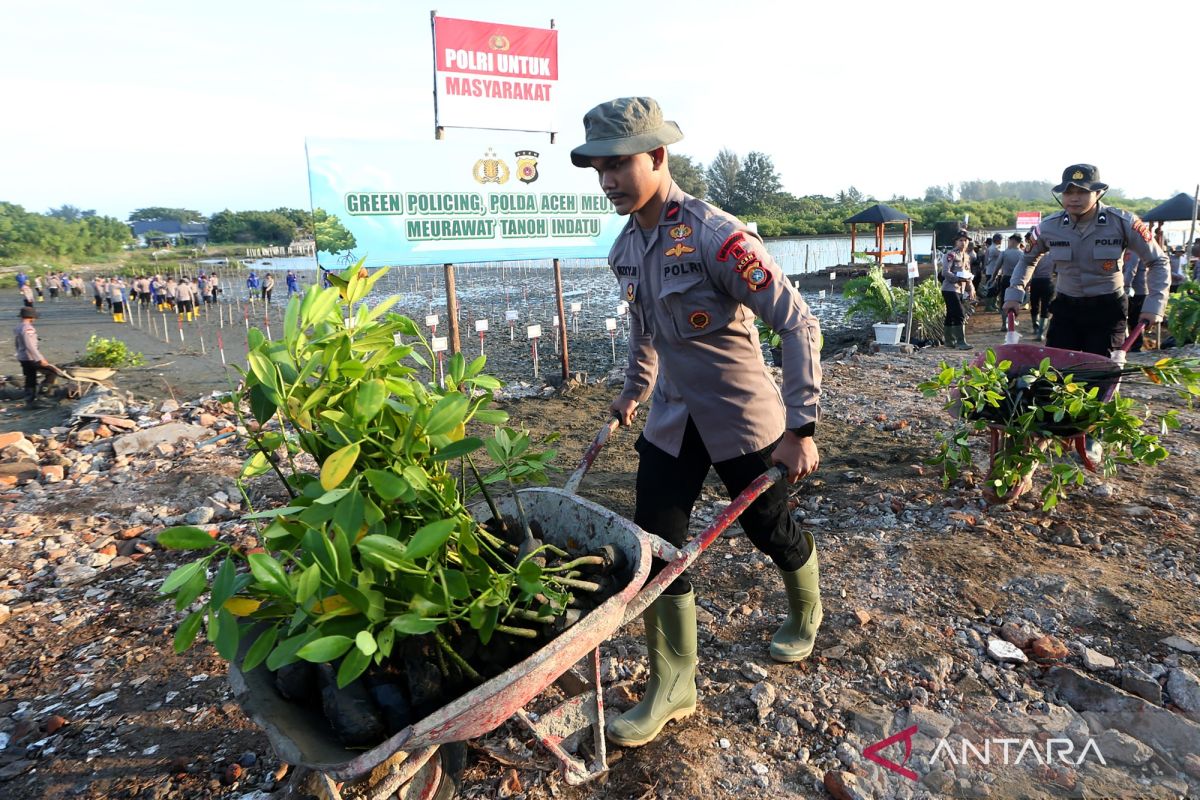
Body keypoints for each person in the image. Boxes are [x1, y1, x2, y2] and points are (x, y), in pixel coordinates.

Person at [571, 97, 823, 748]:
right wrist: (633, 393)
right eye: (598, 169)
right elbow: (645, 334)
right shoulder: (624, 251)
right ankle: (674, 687)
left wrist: (802, 428)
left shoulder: (717, 236)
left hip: (743, 416)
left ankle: (806, 610)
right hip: (672, 421)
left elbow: (798, 323)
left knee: (772, 531)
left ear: (657, 157)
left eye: (618, 165)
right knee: (657, 549)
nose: (607, 181)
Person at [1002, 164, 1169, 461]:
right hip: (1066, 306)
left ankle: (1091, 434)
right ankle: (1053, 425)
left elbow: (1158, 261)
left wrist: (1154, 305)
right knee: (1054, 371)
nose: (1074, 198)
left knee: (1099, 373)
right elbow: (1027, 259)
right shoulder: (1049, 226)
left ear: (1098, 192)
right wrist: (1014, 293)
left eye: (1082, 191)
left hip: (1107, 309)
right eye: (1068, 192)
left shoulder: (1123, 222)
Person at [14, 307, 56, 408]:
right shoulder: (28, 328)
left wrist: (19, 353)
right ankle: (42, 396)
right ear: (31, 317)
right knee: (52, 372)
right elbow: (30, 346)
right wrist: (40, 359)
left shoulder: (18, 327)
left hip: (23, 357)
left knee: (30, 377)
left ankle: (30, 400)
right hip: (31, 357)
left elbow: (17, 343)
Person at [940, 231, 974, 349]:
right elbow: (945, 272)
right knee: (960, 314)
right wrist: (957, 279)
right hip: (949, 289)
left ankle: (949, 341)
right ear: (956, 241)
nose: (963, 243)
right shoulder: (951, 254)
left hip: (960, 289)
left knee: (951, 314)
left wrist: (971, 289)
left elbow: (968, 274)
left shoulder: (967, 256)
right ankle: (961, 342)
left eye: (965, 240)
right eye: (960, 240)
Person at [982, 233, 1003, 310]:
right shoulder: (994, 249)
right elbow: (1002, 255)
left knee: (996, 289)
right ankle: (988, 306)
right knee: (991, 289)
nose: (1001, 241)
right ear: (997, 240)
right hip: (992, 272)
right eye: (1001, 239)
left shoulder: (992, 248)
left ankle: (993, 304)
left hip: (993, 271)